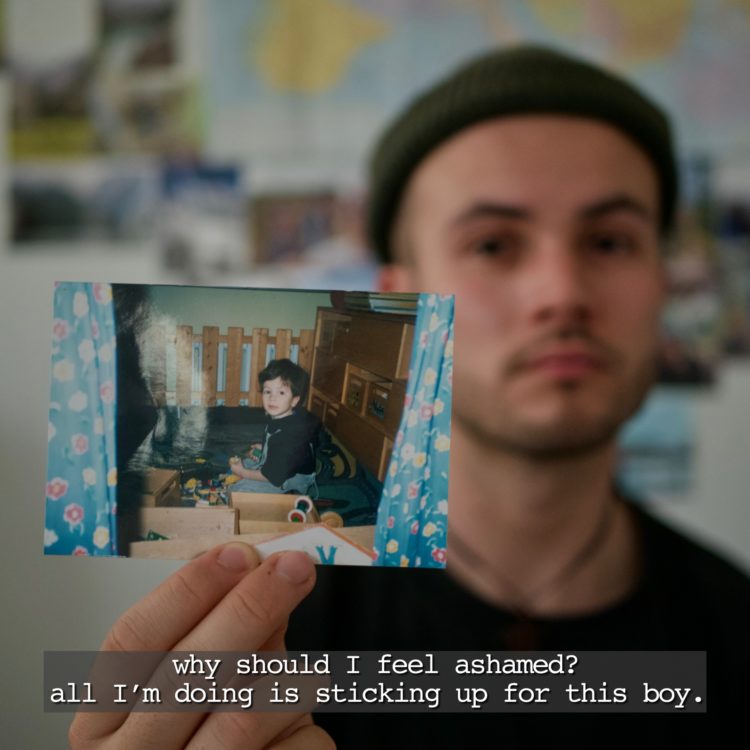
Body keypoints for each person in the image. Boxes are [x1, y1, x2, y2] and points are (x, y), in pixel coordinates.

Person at [70, 45, 750, 748]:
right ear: (405, 302)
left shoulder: (733, 630)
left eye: (609, 241)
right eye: (492, 245)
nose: (562, 294)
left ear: (664, 286)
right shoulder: (264, 640)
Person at [230, 358, 321, 497]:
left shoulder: (289, 436)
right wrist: (264, 447)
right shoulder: (280, 417)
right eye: (267, 392)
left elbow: (273, 477)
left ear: (295, 400)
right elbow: (277, 445)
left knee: (238, 491)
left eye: (281, 392)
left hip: (290, 481)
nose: (272, 398)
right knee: (243, 462)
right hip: (281, 465)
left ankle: (286, 497)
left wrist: (243, 473)